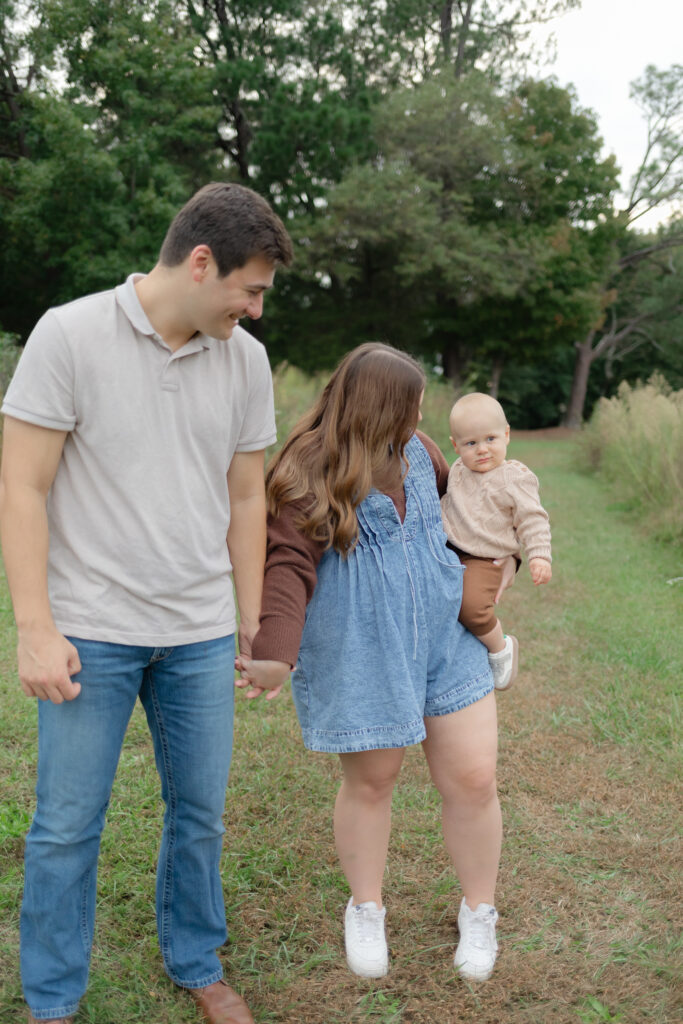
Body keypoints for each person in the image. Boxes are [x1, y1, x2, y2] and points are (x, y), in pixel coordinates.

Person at [0, 182, 293, 1024]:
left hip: (198, 634)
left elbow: (246, 498)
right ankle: (53, 1001)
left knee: (199, 815)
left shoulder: (242, 359)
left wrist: (251, 622)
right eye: (251, 288)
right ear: (201, 262)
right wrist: (34, 628)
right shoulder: (70, 333)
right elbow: (23, 486)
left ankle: (197, 960)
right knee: (64, 826)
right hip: (91, 630)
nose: (256, 308)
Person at [236, 344, 514, 984]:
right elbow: (285, 568)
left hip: (446, 640)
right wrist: (275, 654)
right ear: (380, 409)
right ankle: (365, 907)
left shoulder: (422, 454)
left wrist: (502, 562)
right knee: (373, 780)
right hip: (362, 647)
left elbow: (472, 512)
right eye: (412, 404)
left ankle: (480, 909)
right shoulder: (309, 472)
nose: (421, 416)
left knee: (473, 779)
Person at [441, 393, 552, 691]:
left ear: (506, 435)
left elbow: (532, 518)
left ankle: (499, 647)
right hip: (450, 547)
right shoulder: (457, 471)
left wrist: (538, 555)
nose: (482, 450)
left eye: (490, 438)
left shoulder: (514, 477)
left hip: (486, 557)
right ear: (455, 446)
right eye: (470, 443)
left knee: (472, 605)